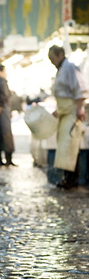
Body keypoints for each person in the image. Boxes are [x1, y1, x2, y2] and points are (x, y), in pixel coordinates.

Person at [48, 45, 88, 189]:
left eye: (52, 58)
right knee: (64, 147)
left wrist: (79, 108)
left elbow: (79, 89)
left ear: (60, 55)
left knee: (70, 146)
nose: (52, 62)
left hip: (71, 113)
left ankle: (72, 179)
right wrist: (58, 110)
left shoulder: (70, 67)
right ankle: (67, 177)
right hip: (64, 113)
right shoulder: (61, 70)